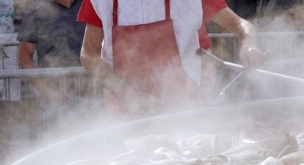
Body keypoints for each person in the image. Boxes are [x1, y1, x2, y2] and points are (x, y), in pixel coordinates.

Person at [78, 0, 264, 117]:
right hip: (127, 107)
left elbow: (241, 24)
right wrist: (127, 94)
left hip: (185, 104)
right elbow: (88, 54)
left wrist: (249, 43)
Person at [17, 0, 88, 103]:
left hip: (91, 91)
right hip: (54, 93)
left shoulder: (91, 4)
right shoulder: (35, 11)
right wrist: (46, 92)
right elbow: (24, 57)